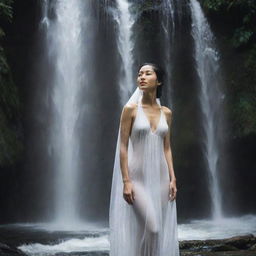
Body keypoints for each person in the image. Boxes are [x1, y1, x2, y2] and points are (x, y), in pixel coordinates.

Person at [109, 63, 180, 256]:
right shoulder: (130, 109)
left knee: (151, 234)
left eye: (148, 74)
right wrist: (126, 181)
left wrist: (173, 178)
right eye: (139, 74)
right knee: (153, 228)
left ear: (159, 80)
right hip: (137, 178)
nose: (141, 77)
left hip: (161, 180)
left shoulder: (166, 112)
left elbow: (166, 147)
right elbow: (123, 146)